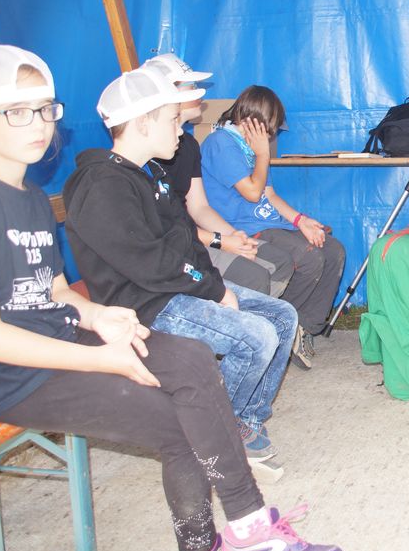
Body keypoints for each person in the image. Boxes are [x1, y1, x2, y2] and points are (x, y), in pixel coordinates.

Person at [0, 44, 344, 551]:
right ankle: (230, 541)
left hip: (59, 336)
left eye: (45, 109)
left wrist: (97, 315)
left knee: (194, 370)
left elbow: (54, 291)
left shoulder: (28, 199)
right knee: (188, 418)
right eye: (17, 112)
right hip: (6, 374)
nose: (39, 124)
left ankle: (229, 540)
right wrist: (101, 356)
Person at [63, 67, 296, 481]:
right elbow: (150, 265)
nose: (181, 129)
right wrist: (214, 290)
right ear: (143, 123)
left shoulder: (150, 174)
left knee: (282, 317)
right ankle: (214, 436)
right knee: (257, 336)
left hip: (176, 289)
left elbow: (187, 239)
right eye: (173, 120)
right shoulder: (101, 184)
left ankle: (242, 423)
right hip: (146, 304)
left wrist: (215, 283)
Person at [142, 55, 310, 369]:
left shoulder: (188, 145)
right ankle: (245, 349)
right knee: (255, 273)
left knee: (278, 261)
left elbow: (199, 207)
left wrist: (233, 237)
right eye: (191, 86)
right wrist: (221, 241)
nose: (200, 93)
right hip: (178, 250)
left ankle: (264, 338)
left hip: (198, 237)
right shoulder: (152, 156)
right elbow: (162, 230)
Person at [199, 85, 346, 349]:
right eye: (271, 129)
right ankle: (282, 326)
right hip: (244, 228)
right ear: (252, 122)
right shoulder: (221, 143)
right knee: (309, 258)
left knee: (333, 250)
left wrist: (301, 220)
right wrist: (263, 154)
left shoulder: (251, 150)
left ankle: (303, 329)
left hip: (271, 224)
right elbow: (253, 193)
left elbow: (270, 195)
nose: (272, 135)